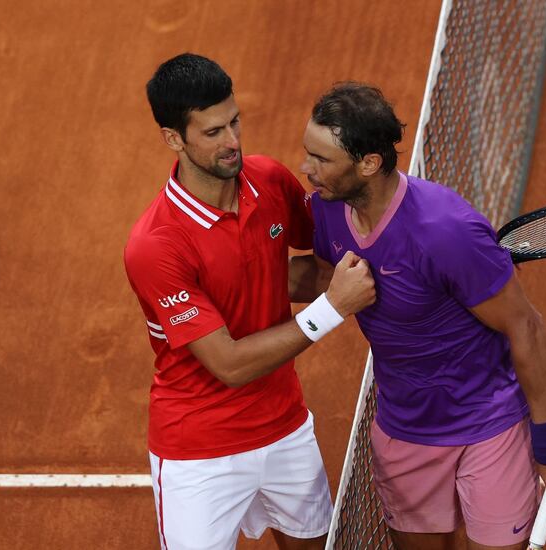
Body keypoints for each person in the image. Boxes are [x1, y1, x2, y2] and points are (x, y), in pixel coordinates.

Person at [300, 82, 546, 550]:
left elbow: (526, 326)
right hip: (404, 429)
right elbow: (322, 273)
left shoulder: (445, 231)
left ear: (369, 164)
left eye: (321, 159)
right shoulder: (329, 211)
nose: (306, 169)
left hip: (489, 425)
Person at [123, 54, 375, 550]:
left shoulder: (269, 180)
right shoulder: (156, 245)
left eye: (235, 121)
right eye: (213, 131)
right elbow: (230, 365)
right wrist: (333, 307)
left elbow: (317, 265)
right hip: (199, 452)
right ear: (174, 138)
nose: (233, 141)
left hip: (285, 427)